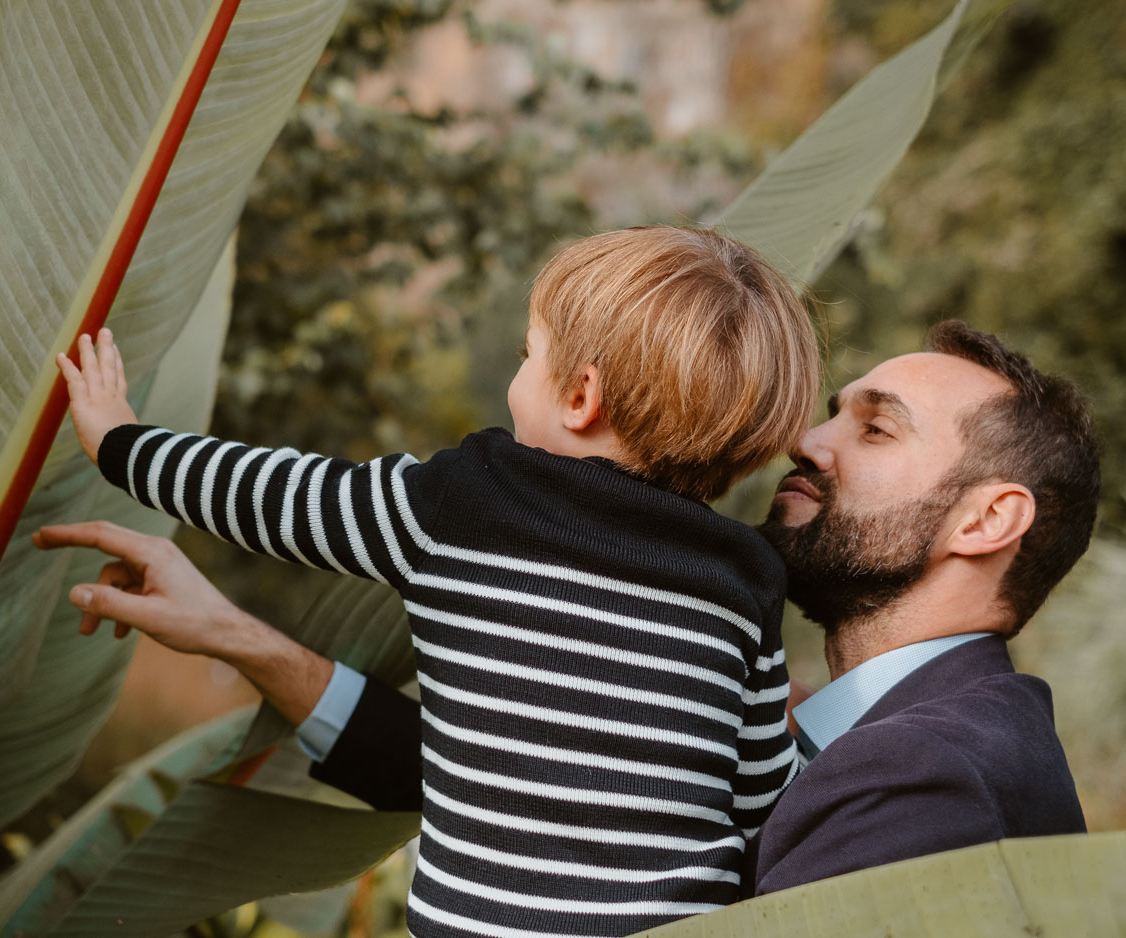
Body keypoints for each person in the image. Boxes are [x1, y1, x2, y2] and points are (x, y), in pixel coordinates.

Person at [39, 318, 1097, 901]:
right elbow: (557, 786)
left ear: (987, 518)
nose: (806, 445)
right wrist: (240, 636)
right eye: (827, 414)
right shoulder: (878, 725)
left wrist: (128, 443)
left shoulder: (927, 776)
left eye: (873, 431)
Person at [52, 226, 820, 938]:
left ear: (581, 397)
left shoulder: (466, 503)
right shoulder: (743, 579)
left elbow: (277, 497)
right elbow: (763, 799)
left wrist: (122, 444)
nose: (519, 377)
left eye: (529, 354)